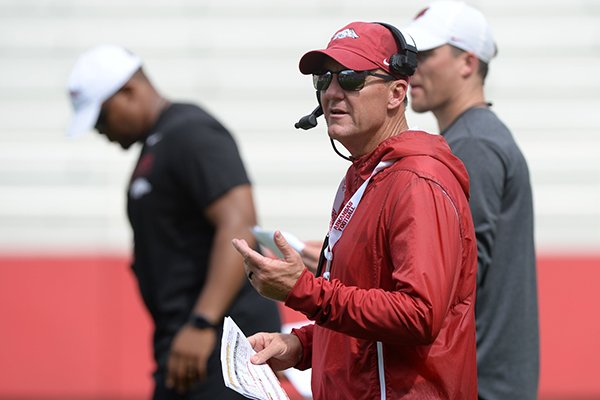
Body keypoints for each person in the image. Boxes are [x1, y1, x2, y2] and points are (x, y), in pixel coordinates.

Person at [232, 21, 479, 399]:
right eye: (323, 79)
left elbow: (418, 314)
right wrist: (300, 347)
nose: (331, 92)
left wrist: (304, 291)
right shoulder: (366, 176)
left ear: (397, 93)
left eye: (350, 78)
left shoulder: (417, 181)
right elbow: (365, 316)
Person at [66, 45, 280, 399]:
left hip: (222, 340)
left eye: (101, 117)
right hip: (188, 340)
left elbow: (239, 224)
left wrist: (202, 322)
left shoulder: (191, 132)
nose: (100, 131)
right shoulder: (158, 144)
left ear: (129, 91)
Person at [404, 2, 539, 399]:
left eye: (426, 54)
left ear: (467, 62)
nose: (412, 67)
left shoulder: (473, 144)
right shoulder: (473, 137)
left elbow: (455, 279)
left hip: (479, 382)